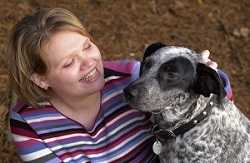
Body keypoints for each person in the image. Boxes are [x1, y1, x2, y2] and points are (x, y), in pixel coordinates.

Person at [7, 8, 233, 162]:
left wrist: (212, 76)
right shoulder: (29, 124)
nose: (89, 63)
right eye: (68, 63)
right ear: (40, 79)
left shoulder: (131, 77)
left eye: (86, 46)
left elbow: (220, 104)